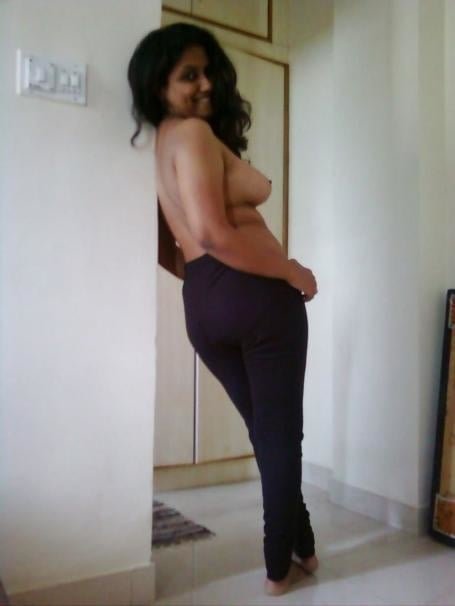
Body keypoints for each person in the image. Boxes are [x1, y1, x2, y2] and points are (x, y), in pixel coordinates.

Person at [127, 22, 319, 597]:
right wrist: (291, 271)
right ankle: (277, 570)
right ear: (158, 84)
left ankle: (303, 546)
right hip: (257, 297)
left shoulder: (158, 146)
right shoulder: (191, 134)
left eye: (208, 72)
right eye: (190, 75)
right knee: (280, 435)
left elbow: (167, 242)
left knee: (266, 431)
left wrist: (204, 282)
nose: (206, 84)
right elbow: (213, 231)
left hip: (204, 304)